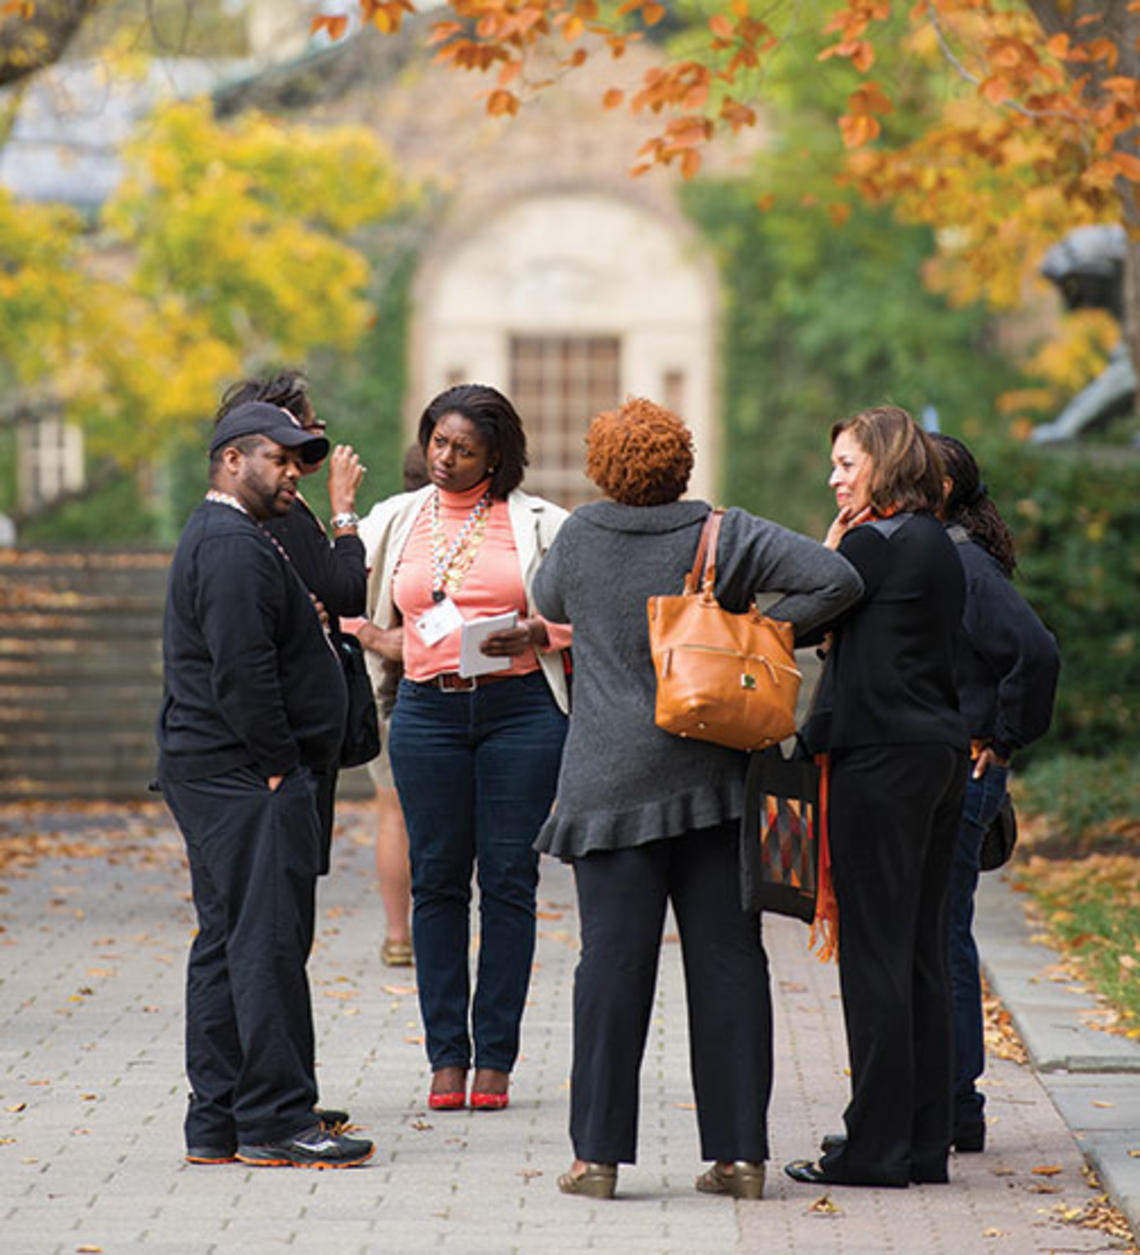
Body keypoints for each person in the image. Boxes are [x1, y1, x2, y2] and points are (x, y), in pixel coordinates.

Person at [531, 397, 864, 1201]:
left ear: (601, 468)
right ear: (682, 463)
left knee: (609, 969)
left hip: (608, 788)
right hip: (716, 782)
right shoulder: (725, 532)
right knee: (728, 962)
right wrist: (758, 632)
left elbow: (549, 603)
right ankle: (739, 1155)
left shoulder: (578, 535)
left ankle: (597, 1159)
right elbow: (838, 579)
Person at [156, 401, 373, 1168]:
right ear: (231, 460)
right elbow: (242, 672)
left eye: (296, 460)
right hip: (244, 774)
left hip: (221, 769)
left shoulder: (232, 538)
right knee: (264, 945)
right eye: (278, 459)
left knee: (226, 942)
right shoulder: (231, 546)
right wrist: (281, 760)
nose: (291, 473)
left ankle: (216, 1120)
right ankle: (275, 1119)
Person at [357, 383, 571, 1112]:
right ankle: (446, 1057)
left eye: (463, 449)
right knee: (438, 881)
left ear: (497, 457)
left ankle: (496, 1061)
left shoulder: (541, 522)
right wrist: (376, 636)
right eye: (437, 443)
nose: (444, 459)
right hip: (426, 713)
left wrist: (543, 633)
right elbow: (347, 594)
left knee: (509, 882)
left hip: (521, 714)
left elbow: (593, 610)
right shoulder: (399, 517)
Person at [785, 405, 969, 1189]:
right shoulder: (936, 543)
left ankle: (876, 1147)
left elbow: (793, 621)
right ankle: (924, 1140)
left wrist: (827, 552)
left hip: (877, 761)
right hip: (937, 756)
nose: (835, 478)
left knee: (875, 956)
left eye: (848, 465)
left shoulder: (869, 543)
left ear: (886, 463)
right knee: (921, 950)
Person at [932, 433, 1060, 1152]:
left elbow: (1035, 651)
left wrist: (1003, 736)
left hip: (967, 769)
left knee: (945, 931)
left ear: (942, 486)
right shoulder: (942, 551)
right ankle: (951, 1100)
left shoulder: (959, 559)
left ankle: (957, 1103)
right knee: (942, 928)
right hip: (952, 763)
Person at [215, 372, 367, 875]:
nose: (304, 457)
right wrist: (344, 512)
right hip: (290, 729)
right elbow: (344, 592)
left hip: (289, 725)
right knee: (284, 891)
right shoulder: (274, 513)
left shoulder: (257, 511)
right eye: (303, 435)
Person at [359, 443, 430, 968]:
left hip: (382, 684)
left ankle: (397, 935)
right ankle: (442, 925)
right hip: (436, 685)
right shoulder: (474, 525)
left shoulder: (378, 524)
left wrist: (370, 634)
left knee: (393, 812)